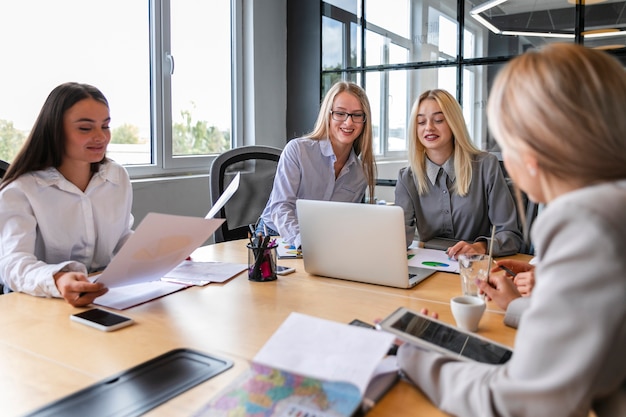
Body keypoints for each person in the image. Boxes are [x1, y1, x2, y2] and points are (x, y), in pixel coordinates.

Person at [397, 43, 626, 416]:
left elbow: (524, 402)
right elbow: (589, 338)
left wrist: (415, 356)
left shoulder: (587, 222)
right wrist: (520, 305)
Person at [0, 82, 134, 307]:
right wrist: (58, 279)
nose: (101, 137)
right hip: (39, 305)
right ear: (55, 131)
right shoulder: (21, 190)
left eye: (106, 126)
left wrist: (159, 253)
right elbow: (12, 263)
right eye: (85, 128)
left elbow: (120, 238)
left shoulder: (116, 177)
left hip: (103, 298)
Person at [395, 89, 522, 259]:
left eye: (439, 120)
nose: (429, 128)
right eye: (421, 122)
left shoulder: (485, 166)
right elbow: (397, 240)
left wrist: (480, 247)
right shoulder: (407, 178)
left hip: (474, 268)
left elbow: (510, 235)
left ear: (454, 123)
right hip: (429, 266)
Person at [257, 81, 376, 249]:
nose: (349, 123)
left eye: (357, 115)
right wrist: (303, 242)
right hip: (276, 237)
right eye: (340, 113)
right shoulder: (298, 150)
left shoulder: (360, 173)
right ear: (328, 115)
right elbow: (281, 207)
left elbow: (344, 222)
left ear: (364, 121)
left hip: (320, 243)